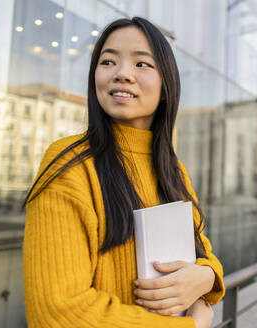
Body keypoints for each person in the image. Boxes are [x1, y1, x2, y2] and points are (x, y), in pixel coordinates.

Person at [23, 17, 224, 328]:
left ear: (165, 86)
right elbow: (58, 313)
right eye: (108, 61)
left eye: (141, 64)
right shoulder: (71, 164)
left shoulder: (174, 170)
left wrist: (208, 275)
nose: (122, 74)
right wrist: (190, 326)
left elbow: (204, 251)